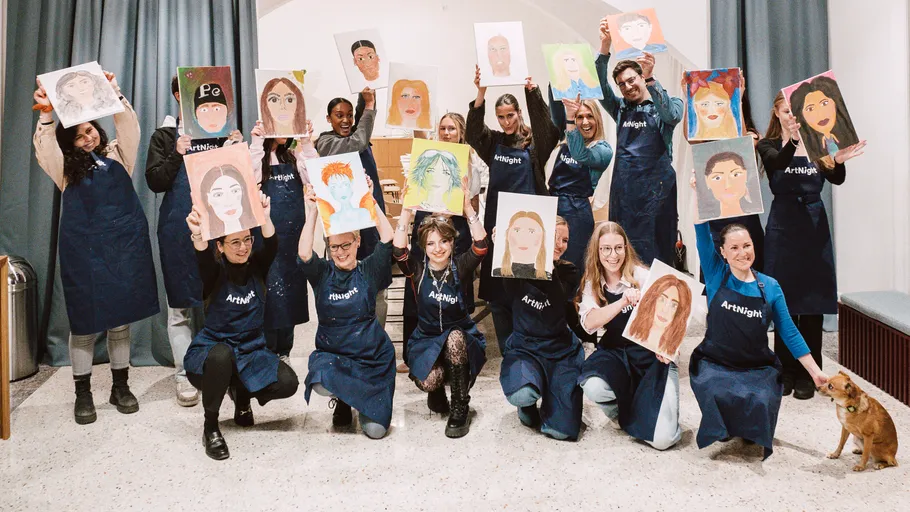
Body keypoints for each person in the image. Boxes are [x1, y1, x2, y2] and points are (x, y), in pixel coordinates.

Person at [32, 73, 158, 425]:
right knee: (84, 325)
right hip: (84, 255)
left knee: (120, 323)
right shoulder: (64, 172)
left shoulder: (120, 156)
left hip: (122, 250)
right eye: (78, 135)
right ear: (69, 144)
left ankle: (121, 386)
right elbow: (46, 149)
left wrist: (111, 92)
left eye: (90, 130)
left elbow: (128, 125)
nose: (87, 138)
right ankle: (82, 393)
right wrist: (45, 114)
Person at [690, 199, 828, 457]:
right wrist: (699, 194)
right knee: (716, 391)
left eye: (747, 245)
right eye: (734, 248)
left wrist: (815, 372)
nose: (742, 253)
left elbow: (789, 332)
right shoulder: (716, 274)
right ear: (723, 252)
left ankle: (742, 423)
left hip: (756, 364)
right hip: (716, 361)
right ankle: (727, 423)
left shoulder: (771, 286)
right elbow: (700, 231)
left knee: (761, 401)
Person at [757, 92, 865, 399]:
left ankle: (810, 370)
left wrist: (838, 161)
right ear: (776, 113)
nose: (792, 116)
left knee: (813, 299)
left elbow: (837, 178)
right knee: (783, 299)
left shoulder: (819, 144)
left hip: (814, 225)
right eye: (785, 110)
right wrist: (792, 140)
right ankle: (784, 368)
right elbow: (778, 164)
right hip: (783, 226)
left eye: (796, 111)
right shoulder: (768, 145)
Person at [146, 75, 243, 407]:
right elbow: (155, 181)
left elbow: (234, 180)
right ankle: (184, 373)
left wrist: (237, 149)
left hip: (219, 228)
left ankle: (224, 369)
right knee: (180, 310)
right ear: (178, 95)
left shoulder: (219, 134)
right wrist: (176, 152)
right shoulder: (164, 135)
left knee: (223, 301)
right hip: (177, 229)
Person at [183, 192, 299, 460]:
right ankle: (210, 427)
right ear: (220, 247)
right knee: (223, 356)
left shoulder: (257, 266)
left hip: (250, 350)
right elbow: (202, 258)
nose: (243, 247)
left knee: (288, 382)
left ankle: (241, 395)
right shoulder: (215, 271)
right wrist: (199, 235)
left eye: (247, 239)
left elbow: (271, 245)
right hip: (213, 350)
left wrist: (265, 217)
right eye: (234, 242)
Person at [466, 69, 558, 352]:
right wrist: (481, 92)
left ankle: (529, 344)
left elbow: (547, 129)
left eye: (511, 115)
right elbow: (472, 132)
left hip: (530, 226)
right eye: (502, 117)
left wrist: (532, 91)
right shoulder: (493, 141)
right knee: (499, 292)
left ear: (519, 113)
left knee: (528, 286)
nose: (507, 122)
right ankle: (508, 348)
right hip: (499, 225)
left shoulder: (534, 146)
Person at [299, 177, 396, 439]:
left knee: (376, 432)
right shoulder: (322, 273)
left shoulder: (369, 269)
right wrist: (311, 212)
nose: (340, 252)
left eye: (345, 245)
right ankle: (343, 399)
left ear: (357, 241)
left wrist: (370, 201)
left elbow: (388, 239)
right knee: (320, 380)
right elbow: (305, 253)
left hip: (372, 359)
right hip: (336, 356)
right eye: (334, 247)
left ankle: (363, 401)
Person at [393, 180, 488, 437]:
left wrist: (468, 208)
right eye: (432, 243)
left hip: (460, 335)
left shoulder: (460, 265)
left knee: (455, 338)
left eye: (444, 241)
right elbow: (399, 249)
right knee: (429, 380)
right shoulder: (418, 269)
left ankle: (460, 408)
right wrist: (406, 209)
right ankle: (438, 391)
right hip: (426, 338)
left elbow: (480, 246)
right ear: (424, 246)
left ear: (451, 243)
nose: (438, 248)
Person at [577, 221, 681, 450]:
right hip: (615, 352)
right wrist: (623, 300)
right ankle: (623, 414)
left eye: (618, 248)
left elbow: (675, 316)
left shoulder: (643, 276)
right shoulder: (592, 282)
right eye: (605, 249)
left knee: (663, 441)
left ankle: (645, 409)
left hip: (650, 356)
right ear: (597, 251)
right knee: (593, 386)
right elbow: (589, 324)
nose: (613, 255)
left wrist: (668, 348)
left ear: (626, 248)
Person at [399, 113, 487, 373]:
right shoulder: (430, 154)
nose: (447, 132)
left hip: (455, 229)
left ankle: (455, 354)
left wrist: (452, 210)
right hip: (428, 228)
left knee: (453, 293)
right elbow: (419, 144)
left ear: (461, 132)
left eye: (452, 128)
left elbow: (472, 201)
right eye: (443, 128)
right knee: (417, 291)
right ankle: (411, 355)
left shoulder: (468, 160)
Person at [596, 18, 683, 266]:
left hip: (658, 192)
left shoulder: (670, 102)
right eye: (621, 84)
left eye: (631, 79)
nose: (626, 86)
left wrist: (652, 79)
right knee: (624, 251)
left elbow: (671, 115)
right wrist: (604, 47)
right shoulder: (620, 108)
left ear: (642, 77)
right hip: (625, 192)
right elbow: (600, 86)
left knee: (659, 248)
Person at [500, 216, 585, 441]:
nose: (559, 244)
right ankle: (528, 403)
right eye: (554, 237)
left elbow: (557, 298)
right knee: (523, 393)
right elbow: (506, 291)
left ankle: (552, 391)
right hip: (525, 347)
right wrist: (504, 245)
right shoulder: (519, 268)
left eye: (564, 240)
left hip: (561, 350)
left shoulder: (569, 271)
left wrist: (545, 259)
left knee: (561, 431)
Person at [250, 119, 317, 360]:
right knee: (269, 292)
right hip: (267, 237)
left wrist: (307, 143)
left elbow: (315, 179)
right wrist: (257, 142)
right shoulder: (257, 156)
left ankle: (285, 351)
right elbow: (248, 176)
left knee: (291, 292)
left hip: (293, 238)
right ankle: (267, 351)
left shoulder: (293, 158)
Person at [316, 90, 386, 261]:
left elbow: (362, 121)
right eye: (339, 115)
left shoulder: (356, 133)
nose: (345, 120)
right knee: (348, 261)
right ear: (328, 118)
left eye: (349, 115)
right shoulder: (326, 142)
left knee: (373, 259)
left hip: (369, 208)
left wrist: (365, 95)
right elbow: (359, 141)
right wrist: (369, 105)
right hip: (344, 218)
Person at [545, 93, 613, 269]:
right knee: (548, 264)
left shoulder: (602, 150)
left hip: (577, 214)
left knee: (572, 266)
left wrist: (570, 119)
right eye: (580, 117)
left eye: (590, 116)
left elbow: (580, 154)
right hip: (553, 208)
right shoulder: (564, 141)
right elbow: (554, 97)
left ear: (597, 119)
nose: (585, 122)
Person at [787, 75, 858, 164]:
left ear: (836, 103)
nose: (820, 114)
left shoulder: (848, 136)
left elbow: (836, 177)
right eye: (810, 109)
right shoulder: (806, 146)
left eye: (824, 103)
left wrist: (839, 161)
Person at [199, 164, 257, 239]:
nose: (229, 201)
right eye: (218, 194)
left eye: (235, 190)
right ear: (208, 199)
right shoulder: (208, 235)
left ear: (243, 192)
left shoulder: (255, 228)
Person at [492, 210, 552, 280]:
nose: (523, 237)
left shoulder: (547, 277)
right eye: (517, 230)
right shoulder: (496, 273)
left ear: (542, 238)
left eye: (531, 231)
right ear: (507, 235)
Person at [53, 69, 119, 121]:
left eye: (84, 82)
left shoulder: (108, 104)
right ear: (63, 91)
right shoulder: (66, 113)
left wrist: (115, 90)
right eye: (71, 86)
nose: (80, 87)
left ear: (94, 82)